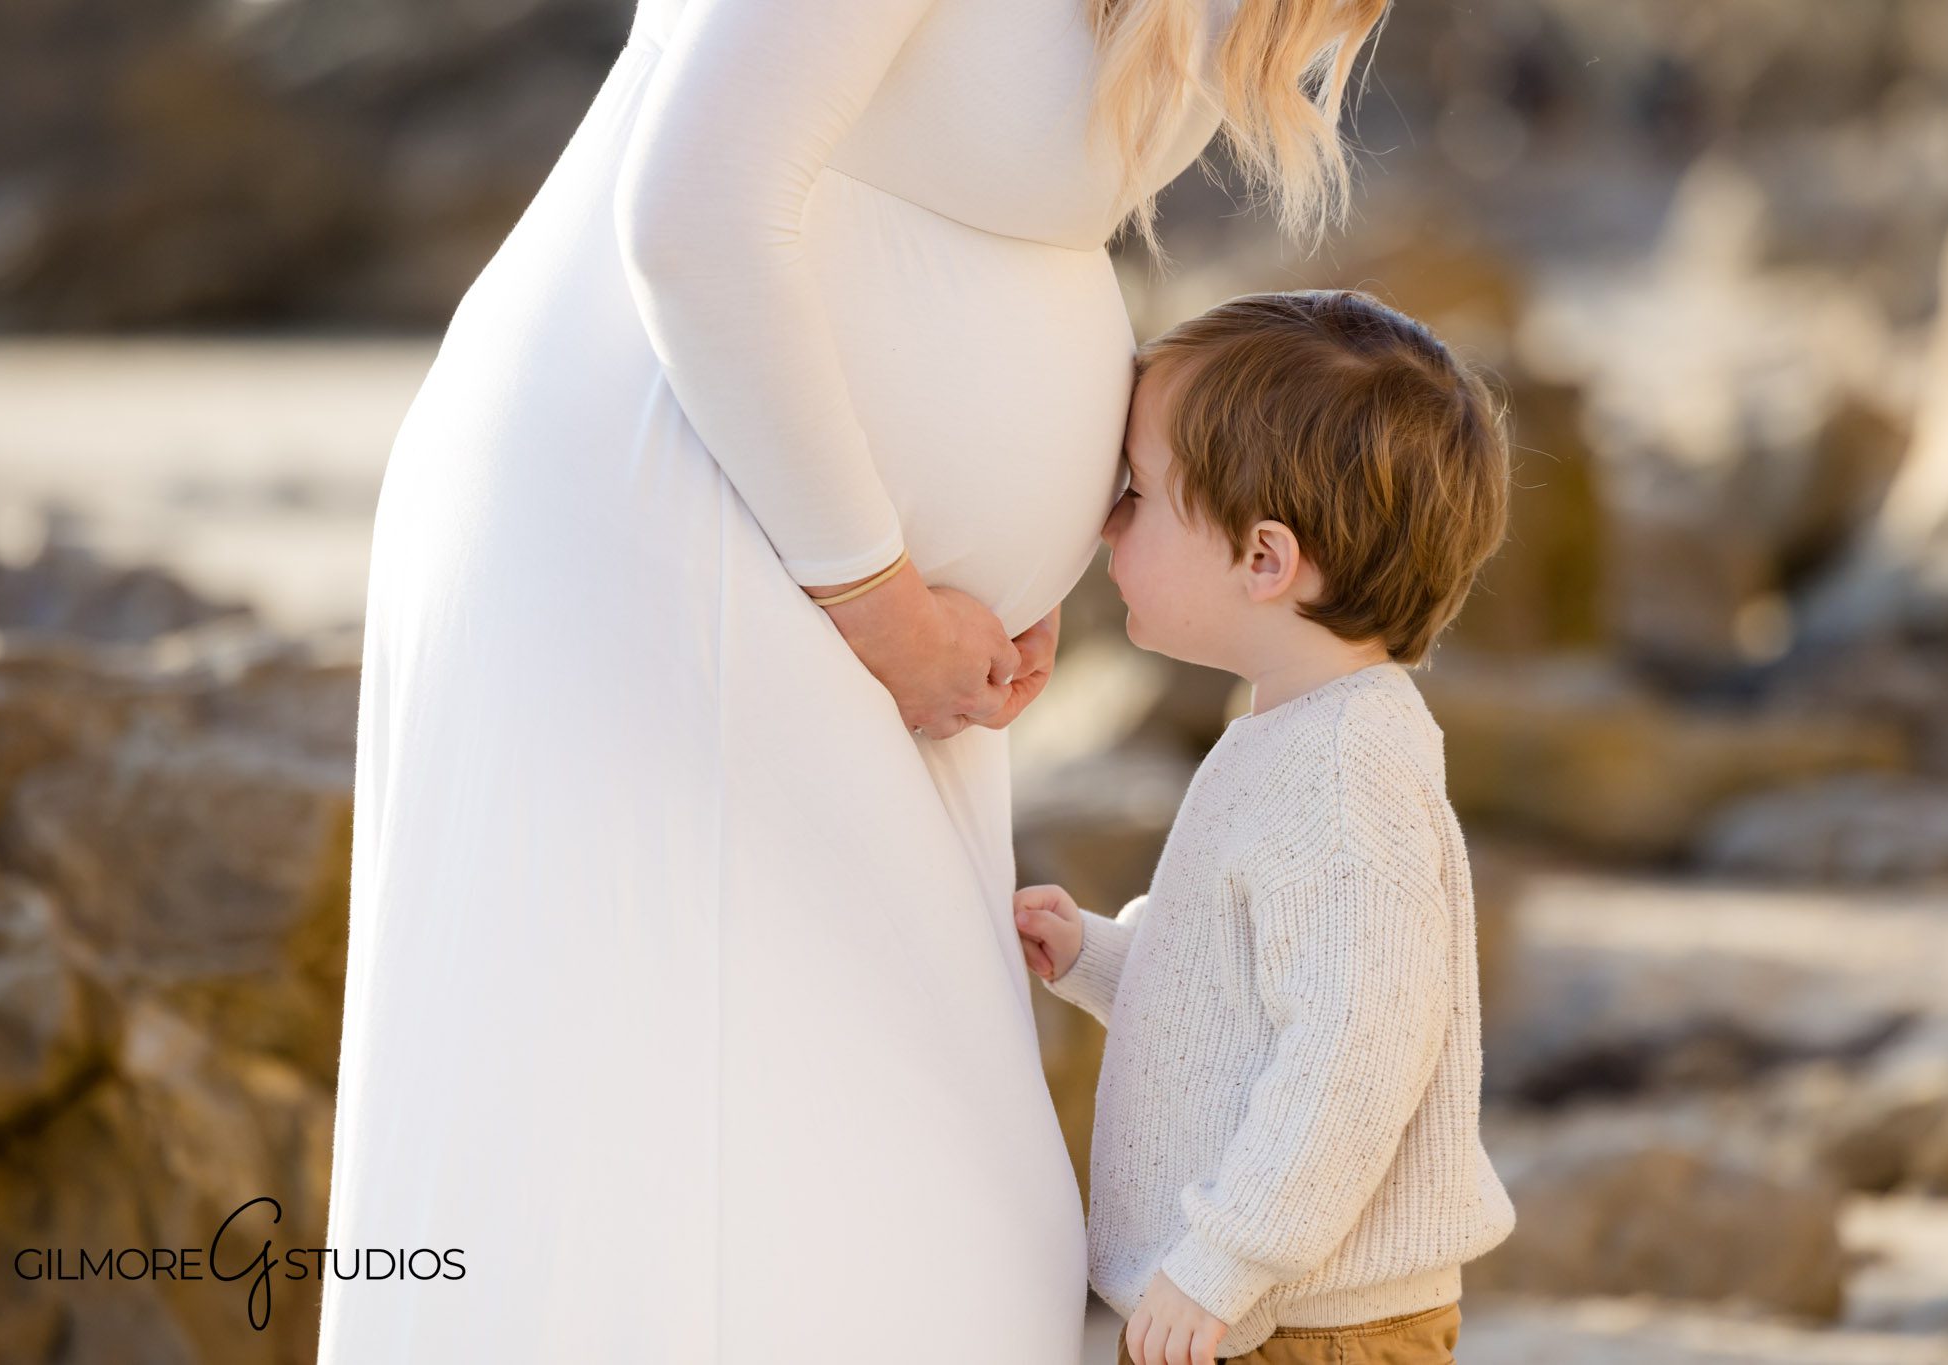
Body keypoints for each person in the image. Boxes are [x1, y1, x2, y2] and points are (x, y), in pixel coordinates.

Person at [317, 0, 1391, 1359]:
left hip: (849, 584)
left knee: (906, 1205)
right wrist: (877, 592)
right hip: (682, 531)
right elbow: (698, 209)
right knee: (778, 1181)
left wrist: (1028, 558)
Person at [1012, 290, 1521, 1365]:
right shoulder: (1296, 731)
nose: (1106, 520)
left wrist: (1219, 1264)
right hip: (1263, 1306)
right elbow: (1243, 996)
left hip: (1303, 1323)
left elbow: (1355, 1049)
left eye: (1137, 494)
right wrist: (1100, 957)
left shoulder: (1342, 774)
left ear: (1262, 560)